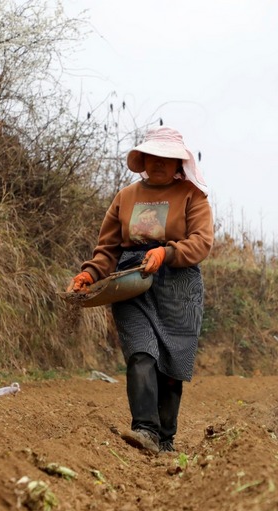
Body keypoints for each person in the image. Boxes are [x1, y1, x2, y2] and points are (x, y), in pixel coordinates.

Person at [67, 127, 214, 454]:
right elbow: (107, 248)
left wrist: (167, 253)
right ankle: (145, 429)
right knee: (141, 352)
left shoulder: (194, 196)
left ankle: (165, 438)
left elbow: (201, 242)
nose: (159, 163)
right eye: (153, 156)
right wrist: (90, 274)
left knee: (173, 362)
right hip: (132, 280)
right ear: (143, 159)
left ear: (179, 163)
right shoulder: (126, 197)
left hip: (179, 284)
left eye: (168, 158)